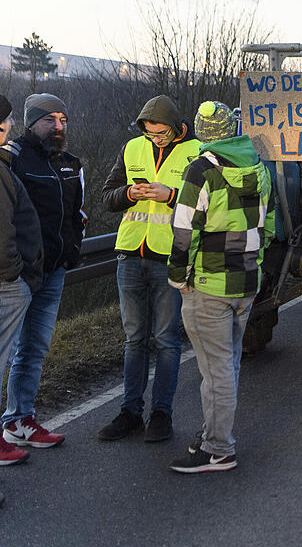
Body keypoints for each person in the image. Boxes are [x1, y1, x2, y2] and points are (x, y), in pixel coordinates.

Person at [167, 101, 274, 473]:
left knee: (215, 371)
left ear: (201, 132)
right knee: (227, 365)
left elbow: (184, 230)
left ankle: (218, 449)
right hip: (246, 281)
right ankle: (215, 433)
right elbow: (269, 223)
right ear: (231, 129)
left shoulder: (200, 170)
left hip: (209, 283)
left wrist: (178, 276)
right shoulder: (258, 165)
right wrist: (255, 263)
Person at [97, 96, 199, 443]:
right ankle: (130, 413)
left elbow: (208, 204)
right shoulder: (131, 148)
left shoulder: (198, 151)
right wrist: (129, 192)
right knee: (134, 340)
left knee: (167, 341)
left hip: (170, 258)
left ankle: (161, 415)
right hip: (130, 254)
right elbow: (107, 196)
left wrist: (171, 195)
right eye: (150, 133)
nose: (155, 139)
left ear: (175, 124)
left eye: (160, 133)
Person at [1, 94, 84, 450]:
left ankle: (20, 419)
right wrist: (16, 270)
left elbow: (77, 212)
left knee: (34, 348)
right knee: (6, 352)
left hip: (54, 272)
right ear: (31, 121)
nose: (59, 127)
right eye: (50, 119)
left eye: (63, 119)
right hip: (18, 276)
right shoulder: (13, 159)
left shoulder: (69, 162)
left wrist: (74, 248)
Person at [0, 96, 44, 485]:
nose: (10, 127)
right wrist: (16, 276)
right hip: (6, 283)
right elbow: (2, 235)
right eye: (7, 121)